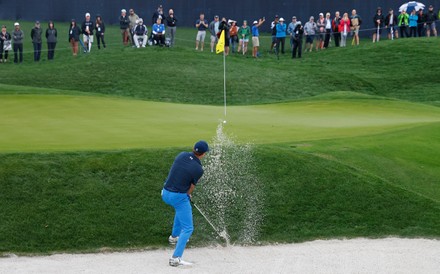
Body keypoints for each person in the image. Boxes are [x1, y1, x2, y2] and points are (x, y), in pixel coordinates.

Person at [162, 140, 209, 267]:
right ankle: (176, 258)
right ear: (204, 154)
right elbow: (191, 188)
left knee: (180, 208)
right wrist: (187, 194)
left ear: (193, 148)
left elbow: (178, 172)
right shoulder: (199, 169)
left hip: (165, 193)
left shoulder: (182, 155)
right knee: (188, 228)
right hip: (178, 196)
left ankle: (174, 237)